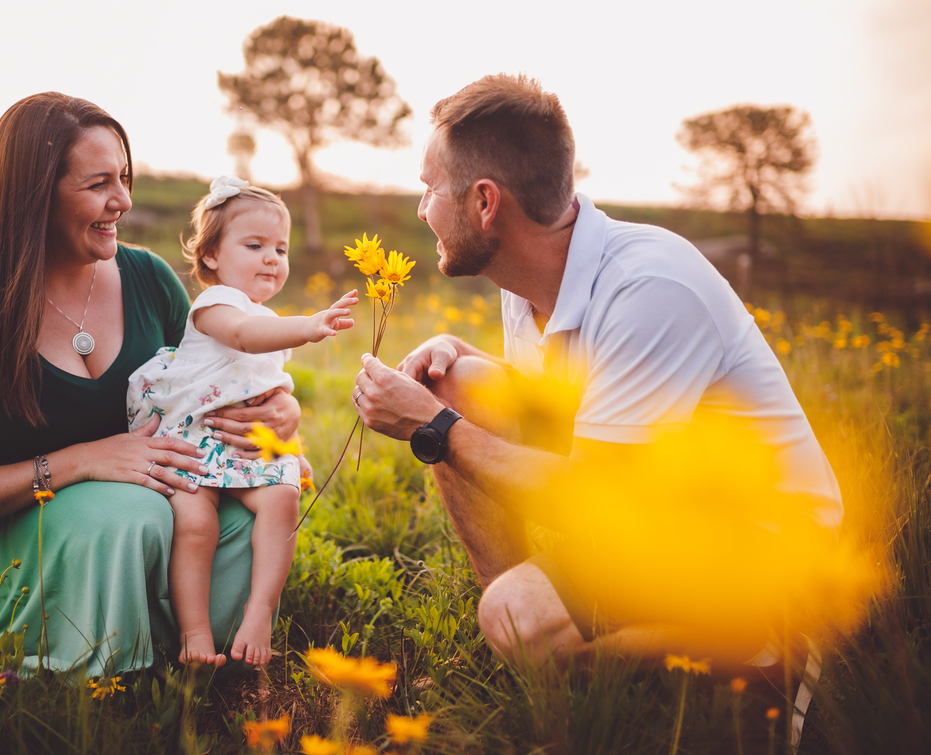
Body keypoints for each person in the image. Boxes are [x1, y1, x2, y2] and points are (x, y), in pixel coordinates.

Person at [352, 74, 843, 671]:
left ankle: (769, 642)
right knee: (456, 383)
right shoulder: (531, 281)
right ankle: (534, 634)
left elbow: (596, 496)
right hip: (664, 501)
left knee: (514, 612)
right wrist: (455, 360)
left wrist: (436, 428)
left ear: (485, 203)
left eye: (429, 188)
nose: (421, 209)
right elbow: (568, 404)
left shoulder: (649, 288)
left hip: (760, 539)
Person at [0, 93, 301, 677]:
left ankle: (200, 650)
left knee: (250, 515)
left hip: (144, 494)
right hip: (16, 537)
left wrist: (279, 408)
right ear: (35, 195)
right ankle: (103, 672)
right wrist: (80, 461)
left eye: (126, 178)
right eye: (98, 184)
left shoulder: (148, 278)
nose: (124, 200)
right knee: (130, 516)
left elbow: (210, 376)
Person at [127, 176, 356, 666]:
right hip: (192, 435)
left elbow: (262, 395)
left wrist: (291, 446)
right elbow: (247, 337)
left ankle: (259, 610)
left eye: (281, 248)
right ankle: (194, 634)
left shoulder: (262, 315)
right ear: (210, 256)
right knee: (196, 522)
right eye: (254, 245)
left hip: (239, 443)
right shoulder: (215, 305)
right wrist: (311, 326)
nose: (272, 258)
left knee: (283, 495)